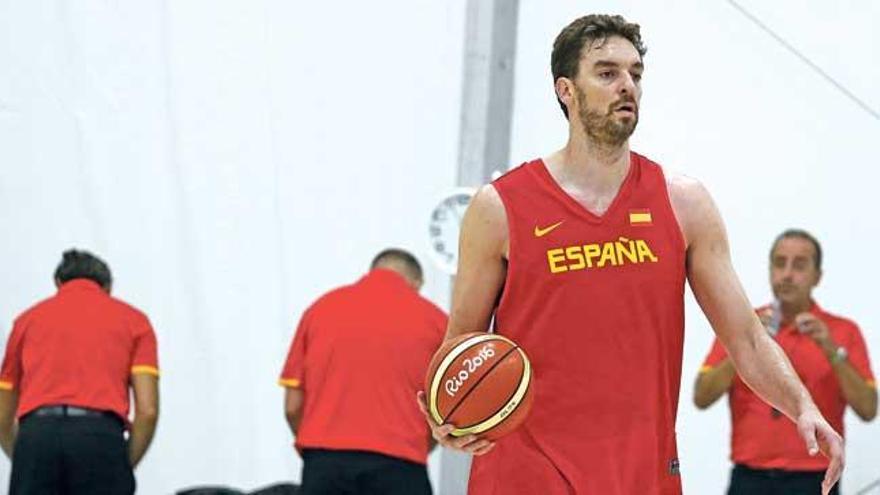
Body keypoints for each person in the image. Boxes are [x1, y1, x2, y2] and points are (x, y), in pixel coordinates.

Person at [417, 13, 845, 495]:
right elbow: (460, 347)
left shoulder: (683, 204)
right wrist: (446, 413)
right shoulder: (499, 208)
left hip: (641, 474)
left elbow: (745, 338)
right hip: (526, 475)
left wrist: (803, 405)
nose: (627, 86)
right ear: (566, 90)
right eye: (607, 73)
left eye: (635, 74)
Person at [694, 229, 876, 494]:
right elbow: (702, 396)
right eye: (779, 263)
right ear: (769, 270)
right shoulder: (742, 325)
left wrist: (831, 349)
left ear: (817, 276)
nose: (787, 274)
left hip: (815, 479)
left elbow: (869, 409)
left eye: (799, 265)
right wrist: (745, 345)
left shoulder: (842, 332)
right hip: (750, 479)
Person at [279, 249, 447, 495]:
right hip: (401, 467)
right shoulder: (437, 321)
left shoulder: (320, 310)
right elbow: (449, 410)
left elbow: (292, 406)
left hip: (326, 468)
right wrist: (419, 446)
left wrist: (321, 451)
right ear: (416, 282)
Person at [0, 249, 160, 494]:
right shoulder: (135, 321)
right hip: (100, 438)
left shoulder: (26, 322)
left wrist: (23, 457)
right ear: (107, 287)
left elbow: (2, 414)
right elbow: (148, 411)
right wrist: (122, 464)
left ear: (58, 283)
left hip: (37, 437)